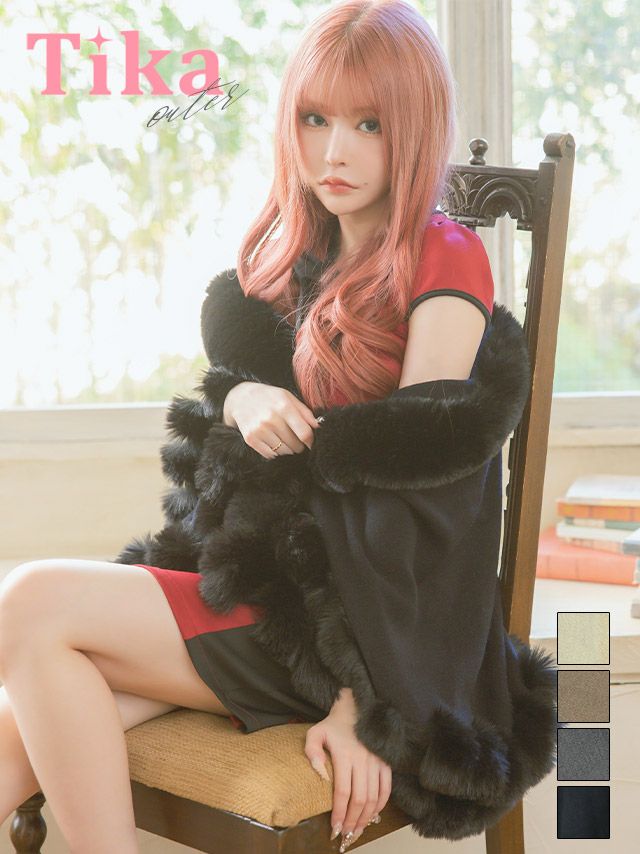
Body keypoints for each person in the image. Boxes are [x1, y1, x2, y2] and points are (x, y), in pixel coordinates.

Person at [0, 2, 552, 852]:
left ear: (414, 129)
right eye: (315, 119)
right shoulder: (298, 253)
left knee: (28, 602)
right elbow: (255, 421)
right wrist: (240, 399)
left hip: (358, 632)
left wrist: (357, 699)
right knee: (28, 692)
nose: (335, 152)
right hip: (266, 583)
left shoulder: (445, 259)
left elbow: (428, 507)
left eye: (370, 124)